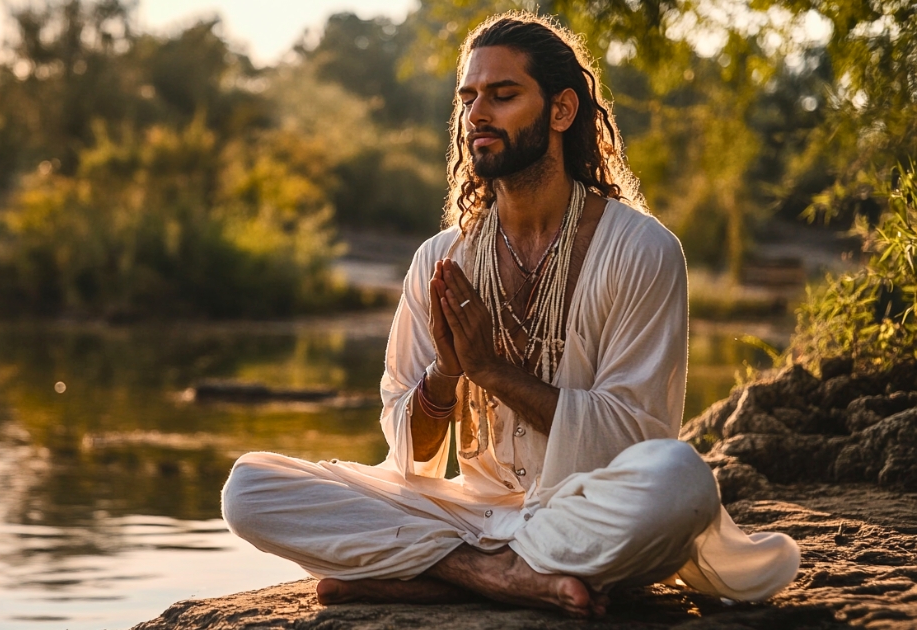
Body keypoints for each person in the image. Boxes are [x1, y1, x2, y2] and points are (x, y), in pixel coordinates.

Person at [221, 12, 799, 618]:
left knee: (679, 482)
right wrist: (447, 375)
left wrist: (493, 371)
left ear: (561, 111)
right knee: (251, 488)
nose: (477, 114)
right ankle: (494, 574)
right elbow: (410, 455)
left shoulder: (641, 249)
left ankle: (430, 570)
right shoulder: (441, 259)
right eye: (468, 97)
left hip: (578, 509)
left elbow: (633, 439)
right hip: (466, 510)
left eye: (503, 95)